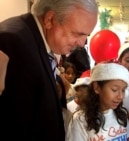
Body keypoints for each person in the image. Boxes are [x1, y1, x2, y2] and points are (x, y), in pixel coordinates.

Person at [0, 0, 98, 140]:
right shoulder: (12, 42)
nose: (82, 44)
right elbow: (13, 125)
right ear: (50, 19)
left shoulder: (34, 38)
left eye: (86, 36)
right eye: (77, 34)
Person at [66, 63, 129, 141]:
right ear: (97, 87)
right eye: (114, 90)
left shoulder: (121, 114)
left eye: (123, 90)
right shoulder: (81, 120)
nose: (120, 96)